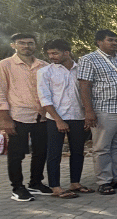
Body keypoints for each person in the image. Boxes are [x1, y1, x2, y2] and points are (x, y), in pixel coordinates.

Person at [78, 30, 117, 195]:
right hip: (104, 109)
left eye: (116, 40)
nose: (114, 43)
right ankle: (104, 181)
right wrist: (89, 111)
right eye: (110, 40)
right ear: (99, 42)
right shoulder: (88, 59)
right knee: (102, 146)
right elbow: (84, 86)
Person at [0, 32, 49, 201]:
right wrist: (6, 119)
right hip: (17, 116)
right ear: (14, 45)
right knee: (17, 154)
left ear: (35, 45)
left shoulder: (43, 66)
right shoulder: (4, 65)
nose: (26, 46)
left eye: (30, 43)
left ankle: (36, 183)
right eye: (22, 43)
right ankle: (17, 187)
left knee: (41, 151)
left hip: (42, 116)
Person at [37, 39, 90, 198]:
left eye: (55, 53)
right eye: (49, 54)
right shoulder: (45, 72)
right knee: (54, 153)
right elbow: (44, 98)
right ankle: (55, 187)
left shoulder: (81, 70)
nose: (52, 56)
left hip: (78, 116)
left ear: (67, 52)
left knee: (78, 152)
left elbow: (87, 94)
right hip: (56, 118)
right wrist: (58, 120)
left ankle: (75, 183)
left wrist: (87, 114)